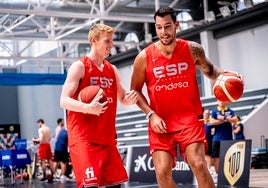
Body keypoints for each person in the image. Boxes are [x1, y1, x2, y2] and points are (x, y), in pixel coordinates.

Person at [130, 6, 228, 188]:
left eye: (167, 26)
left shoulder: (193, 49)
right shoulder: (143, 57)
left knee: (198, 164)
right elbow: (135, 90)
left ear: (176, 25)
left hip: (189, 119)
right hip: (161, 122)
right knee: (162, 172)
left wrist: (229, 76)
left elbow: (211, 70)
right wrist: (151, 115)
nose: (163, 32)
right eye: (159, 27)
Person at [60, 23, 137, 188]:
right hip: (84, 138)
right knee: (91, 186)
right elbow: (63, 100)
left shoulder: (112, 70)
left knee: (116, 185)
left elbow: (122, 98)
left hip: (107, 139)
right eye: (107, 41)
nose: (112, 45)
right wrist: (88, 108)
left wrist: (131, 98)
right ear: (94, 40)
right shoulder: (79, 67)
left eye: (112, 41)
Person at [210, 100, 236, 181]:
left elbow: (235, 120)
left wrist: (224, 118)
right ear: (217, 102)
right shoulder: (214, 111)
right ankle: (217, 174)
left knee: (228, 157)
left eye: (223, 100)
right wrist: (226, 120)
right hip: (217, 138)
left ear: (226, 102)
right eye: (219, 100)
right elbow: (212, 122)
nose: (221, 102)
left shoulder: (230, 111)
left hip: (228, 138)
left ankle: (228, 175)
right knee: (216, 158)